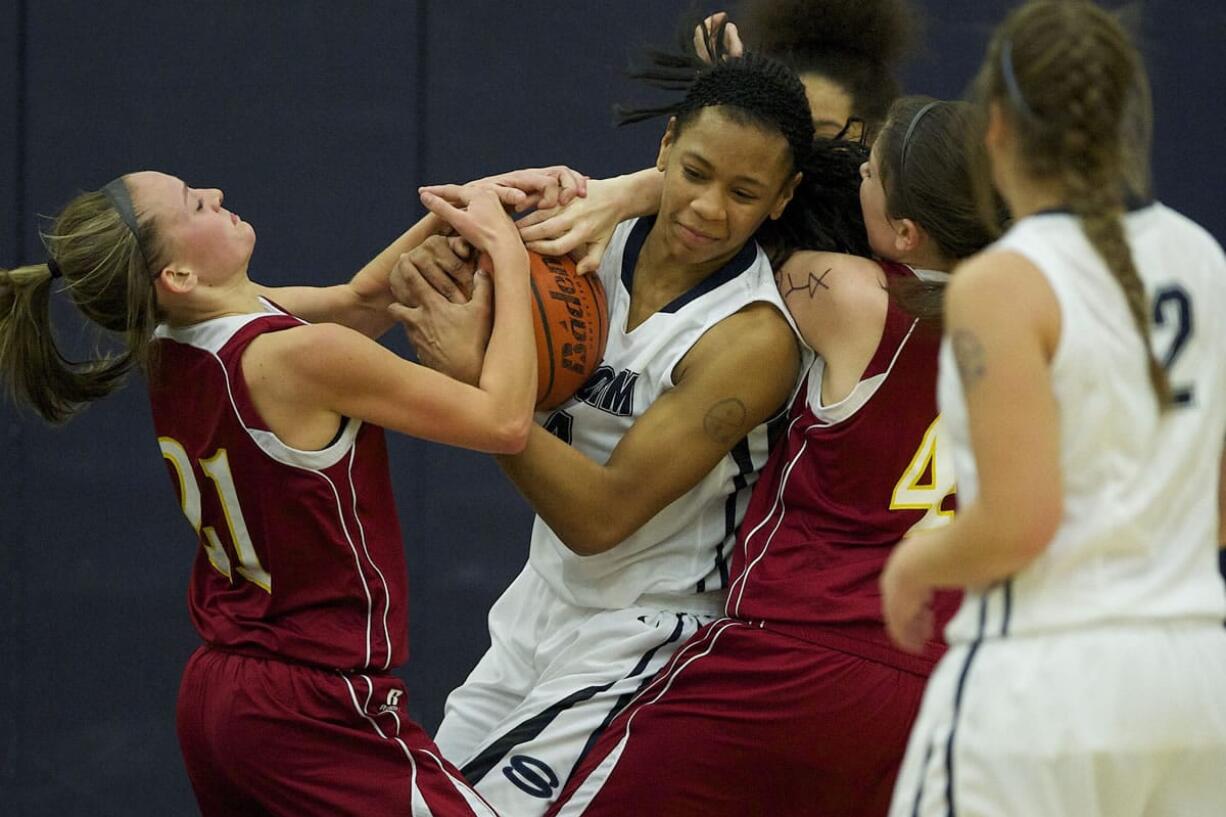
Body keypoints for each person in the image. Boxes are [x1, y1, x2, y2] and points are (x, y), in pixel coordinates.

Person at [0, 166, 581, 816]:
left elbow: (362, 298)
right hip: (308, 704)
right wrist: (504, 250)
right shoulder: (296, 359)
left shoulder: (175, 338)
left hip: (222, 695)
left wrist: (473, 204)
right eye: (195, 204)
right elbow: (501, 421)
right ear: (179, 277)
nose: (216, 193)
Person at [518, 94, 994, 816]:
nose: (858, 171)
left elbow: (724, 228)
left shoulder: (851, 294)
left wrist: (633, 188)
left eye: (873, 171)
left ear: (903, 231)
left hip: (795, 653)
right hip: (941, 693)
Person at [396, 51, 818, 817]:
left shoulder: (749, 340)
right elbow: (416, 283)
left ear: (783, 198)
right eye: (695, 173)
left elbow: (600, 517)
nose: (708, 208)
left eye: (744, 192)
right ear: (663, 149)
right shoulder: (581, 244)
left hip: (645, 632)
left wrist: (478, 384)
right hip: (537, 603)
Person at [880, 2, 1226, 815]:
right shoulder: (1203, 257)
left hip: (1044, 688)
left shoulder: (1002, 280)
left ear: (995, 127)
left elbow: (1019, 522)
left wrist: (912, 564)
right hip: (1195, 686)